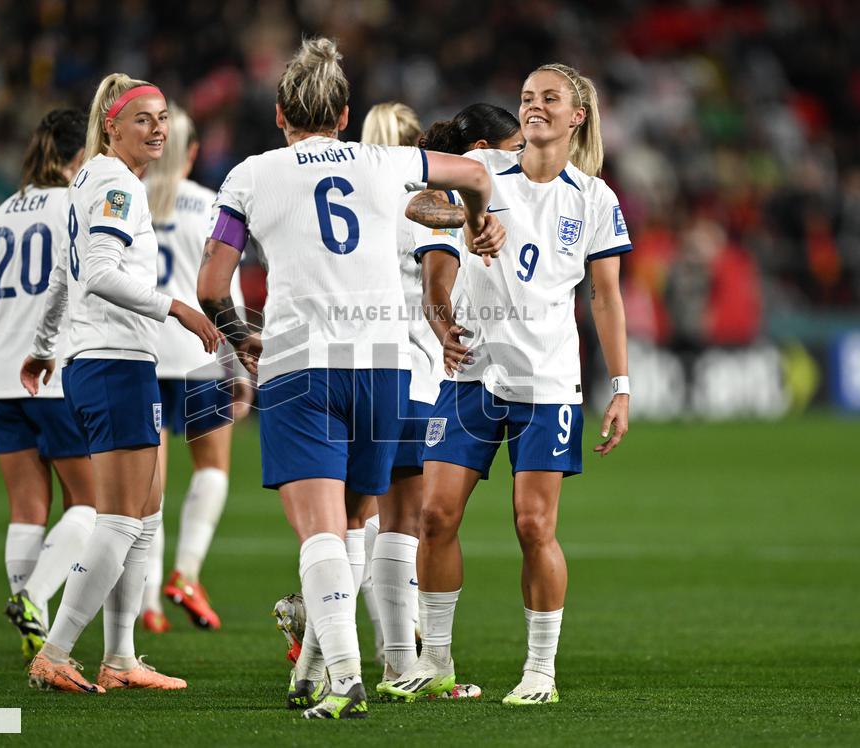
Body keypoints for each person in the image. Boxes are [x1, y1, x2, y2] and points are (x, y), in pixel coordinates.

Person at [197, 37, 501, 719]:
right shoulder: (387, 161)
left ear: (280, 113)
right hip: (387, 368)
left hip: (303, 365)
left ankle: (345, 677)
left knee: (321, 534)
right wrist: (480, 227)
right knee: (358, 521)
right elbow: (479, 178)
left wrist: (241, 335)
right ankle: (316, 672)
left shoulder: (251, 173)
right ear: (344, 112)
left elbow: (213, 282)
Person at [381, 63, 632, 706]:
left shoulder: (594, 199)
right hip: (471, 374)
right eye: (526, 98)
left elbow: (606, 299)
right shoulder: (487, 171)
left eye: (549, 98)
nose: (534, 107)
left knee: (532, 526)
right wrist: (469, 216)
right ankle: (435, 661)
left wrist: (622, 384)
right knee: (436, 516)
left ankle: (540, 671)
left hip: (548, 382)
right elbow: (418, 197)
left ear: (577, 116)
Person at [20, 73, 222, 694]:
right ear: (112, 124)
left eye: (163, 118)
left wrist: (44, 344)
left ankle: (121, 657)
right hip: (114, 361)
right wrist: (178, 309)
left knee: (147, 512)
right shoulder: (114, 182)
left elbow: (63, 271)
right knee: (118, 520)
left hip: (106, 358)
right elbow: (101, 274)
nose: (157, 128)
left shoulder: (92, 180)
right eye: (143, 119)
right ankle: (55, 652)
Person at [366, 102, 524, 700]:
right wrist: (444, 330)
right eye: (512, 146)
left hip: (360, 366)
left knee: (368, 518)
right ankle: (400, 661)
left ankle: (342, 647)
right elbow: (436, 278)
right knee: (405, 520)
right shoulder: (446, 201)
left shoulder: (386, 188)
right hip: (417, 375)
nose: (520, 155)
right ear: (482, 148)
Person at [0, 109, 97, 660]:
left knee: (26, 509)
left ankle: (30, 622)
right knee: (93, 504)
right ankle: (36, 602)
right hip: (56, 372)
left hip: (0, 380)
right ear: (78, 157)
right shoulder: (77, 205)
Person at [140, 103, 251, 633]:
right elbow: (221, 288)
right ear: (193, 153)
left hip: (141, 354)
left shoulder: (130, 201)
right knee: (211, 470)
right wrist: (243, 361)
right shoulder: (211, 205)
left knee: (149, 485)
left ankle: (148, 604)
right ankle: (186, 573)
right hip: (200, 355)